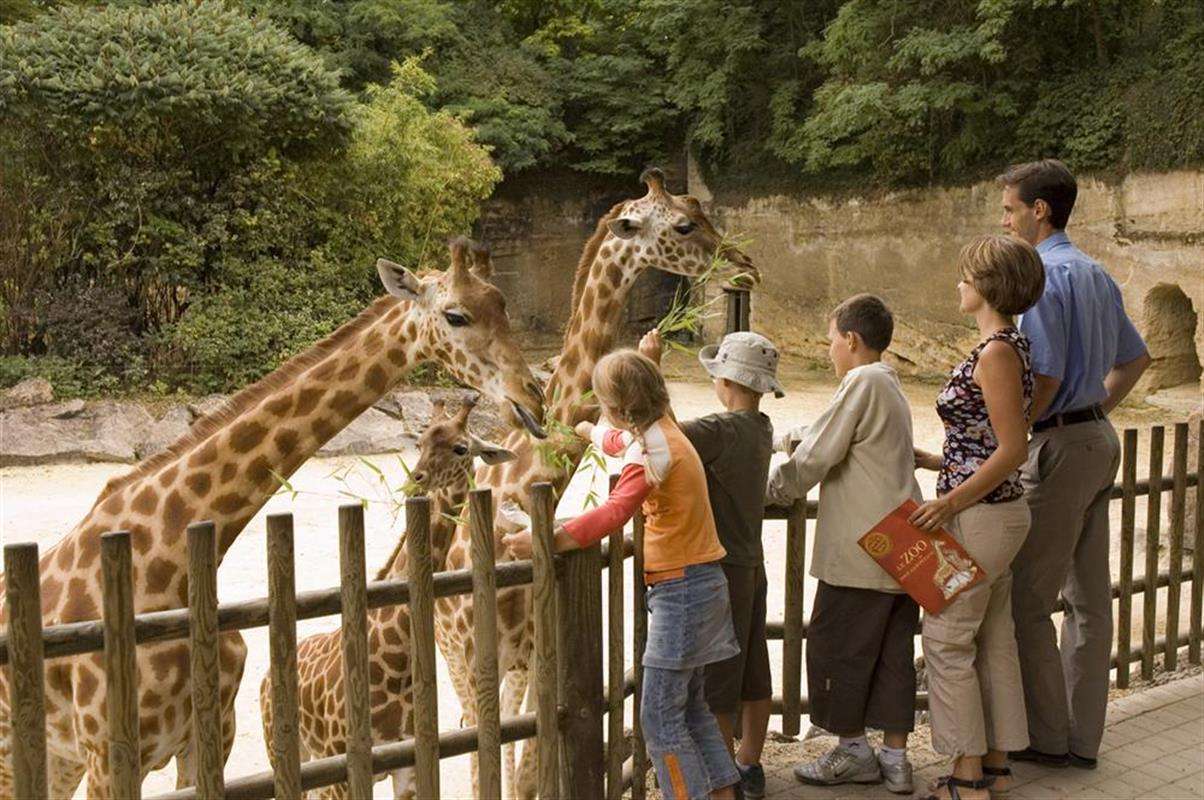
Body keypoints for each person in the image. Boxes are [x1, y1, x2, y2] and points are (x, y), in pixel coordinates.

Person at [502, 349, 740, 800]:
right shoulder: (661, 432)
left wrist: (547, 538)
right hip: (704, 583)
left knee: (660, 720)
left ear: (618, 407)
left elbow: (615, 511)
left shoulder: (653, 451)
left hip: (683, 590)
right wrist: (588, 431)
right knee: (692, 710)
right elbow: (618, 441)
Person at [999, 159, 1151, 769]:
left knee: (1028, 600)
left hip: (1059, 448)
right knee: (1090, 601)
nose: (1004, 220)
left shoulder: (1039, 276)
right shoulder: (1094, 272)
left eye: (1009, 209)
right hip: (1097, 441)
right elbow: (1135, 359)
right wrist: (1092, 411)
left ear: (1040, 210)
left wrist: (1026, 431)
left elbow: (1048, 372)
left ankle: (1048, 737)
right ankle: (1083, 739)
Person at [766, 294, 922, 795]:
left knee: (835, 648)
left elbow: (819, 453)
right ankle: (895, 759)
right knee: (892, 653)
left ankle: (854, 751)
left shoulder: (861, 380)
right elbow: (827, 433)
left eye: (832, 340)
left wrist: (771, 488)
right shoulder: (888, 382)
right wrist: (786, 438)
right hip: (899, 541)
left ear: (851, 340)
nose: (830, 350)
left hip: (863, 549)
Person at [911, 234, 1046, 800]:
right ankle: (996, 762)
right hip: (1001, 512)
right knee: (993, 636)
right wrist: (937, 462)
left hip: (981, 516)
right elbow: (988, 441)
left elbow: (1013, 447)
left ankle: (966, 776)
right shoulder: (1011, 344)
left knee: (947, 637)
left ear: (987, 285)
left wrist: (948, 501)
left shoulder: (994, 352)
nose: (959, 284)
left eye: (966, 276)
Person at [639, 328, 779, 800]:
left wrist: (651, 367)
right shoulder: (762, 428)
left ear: (727, 383)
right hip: (753, 562)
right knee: (754, 664)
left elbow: (667, 437)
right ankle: (749, 764)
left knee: (718, 680)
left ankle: (725, 781)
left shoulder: (721, 430)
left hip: (720, 567)